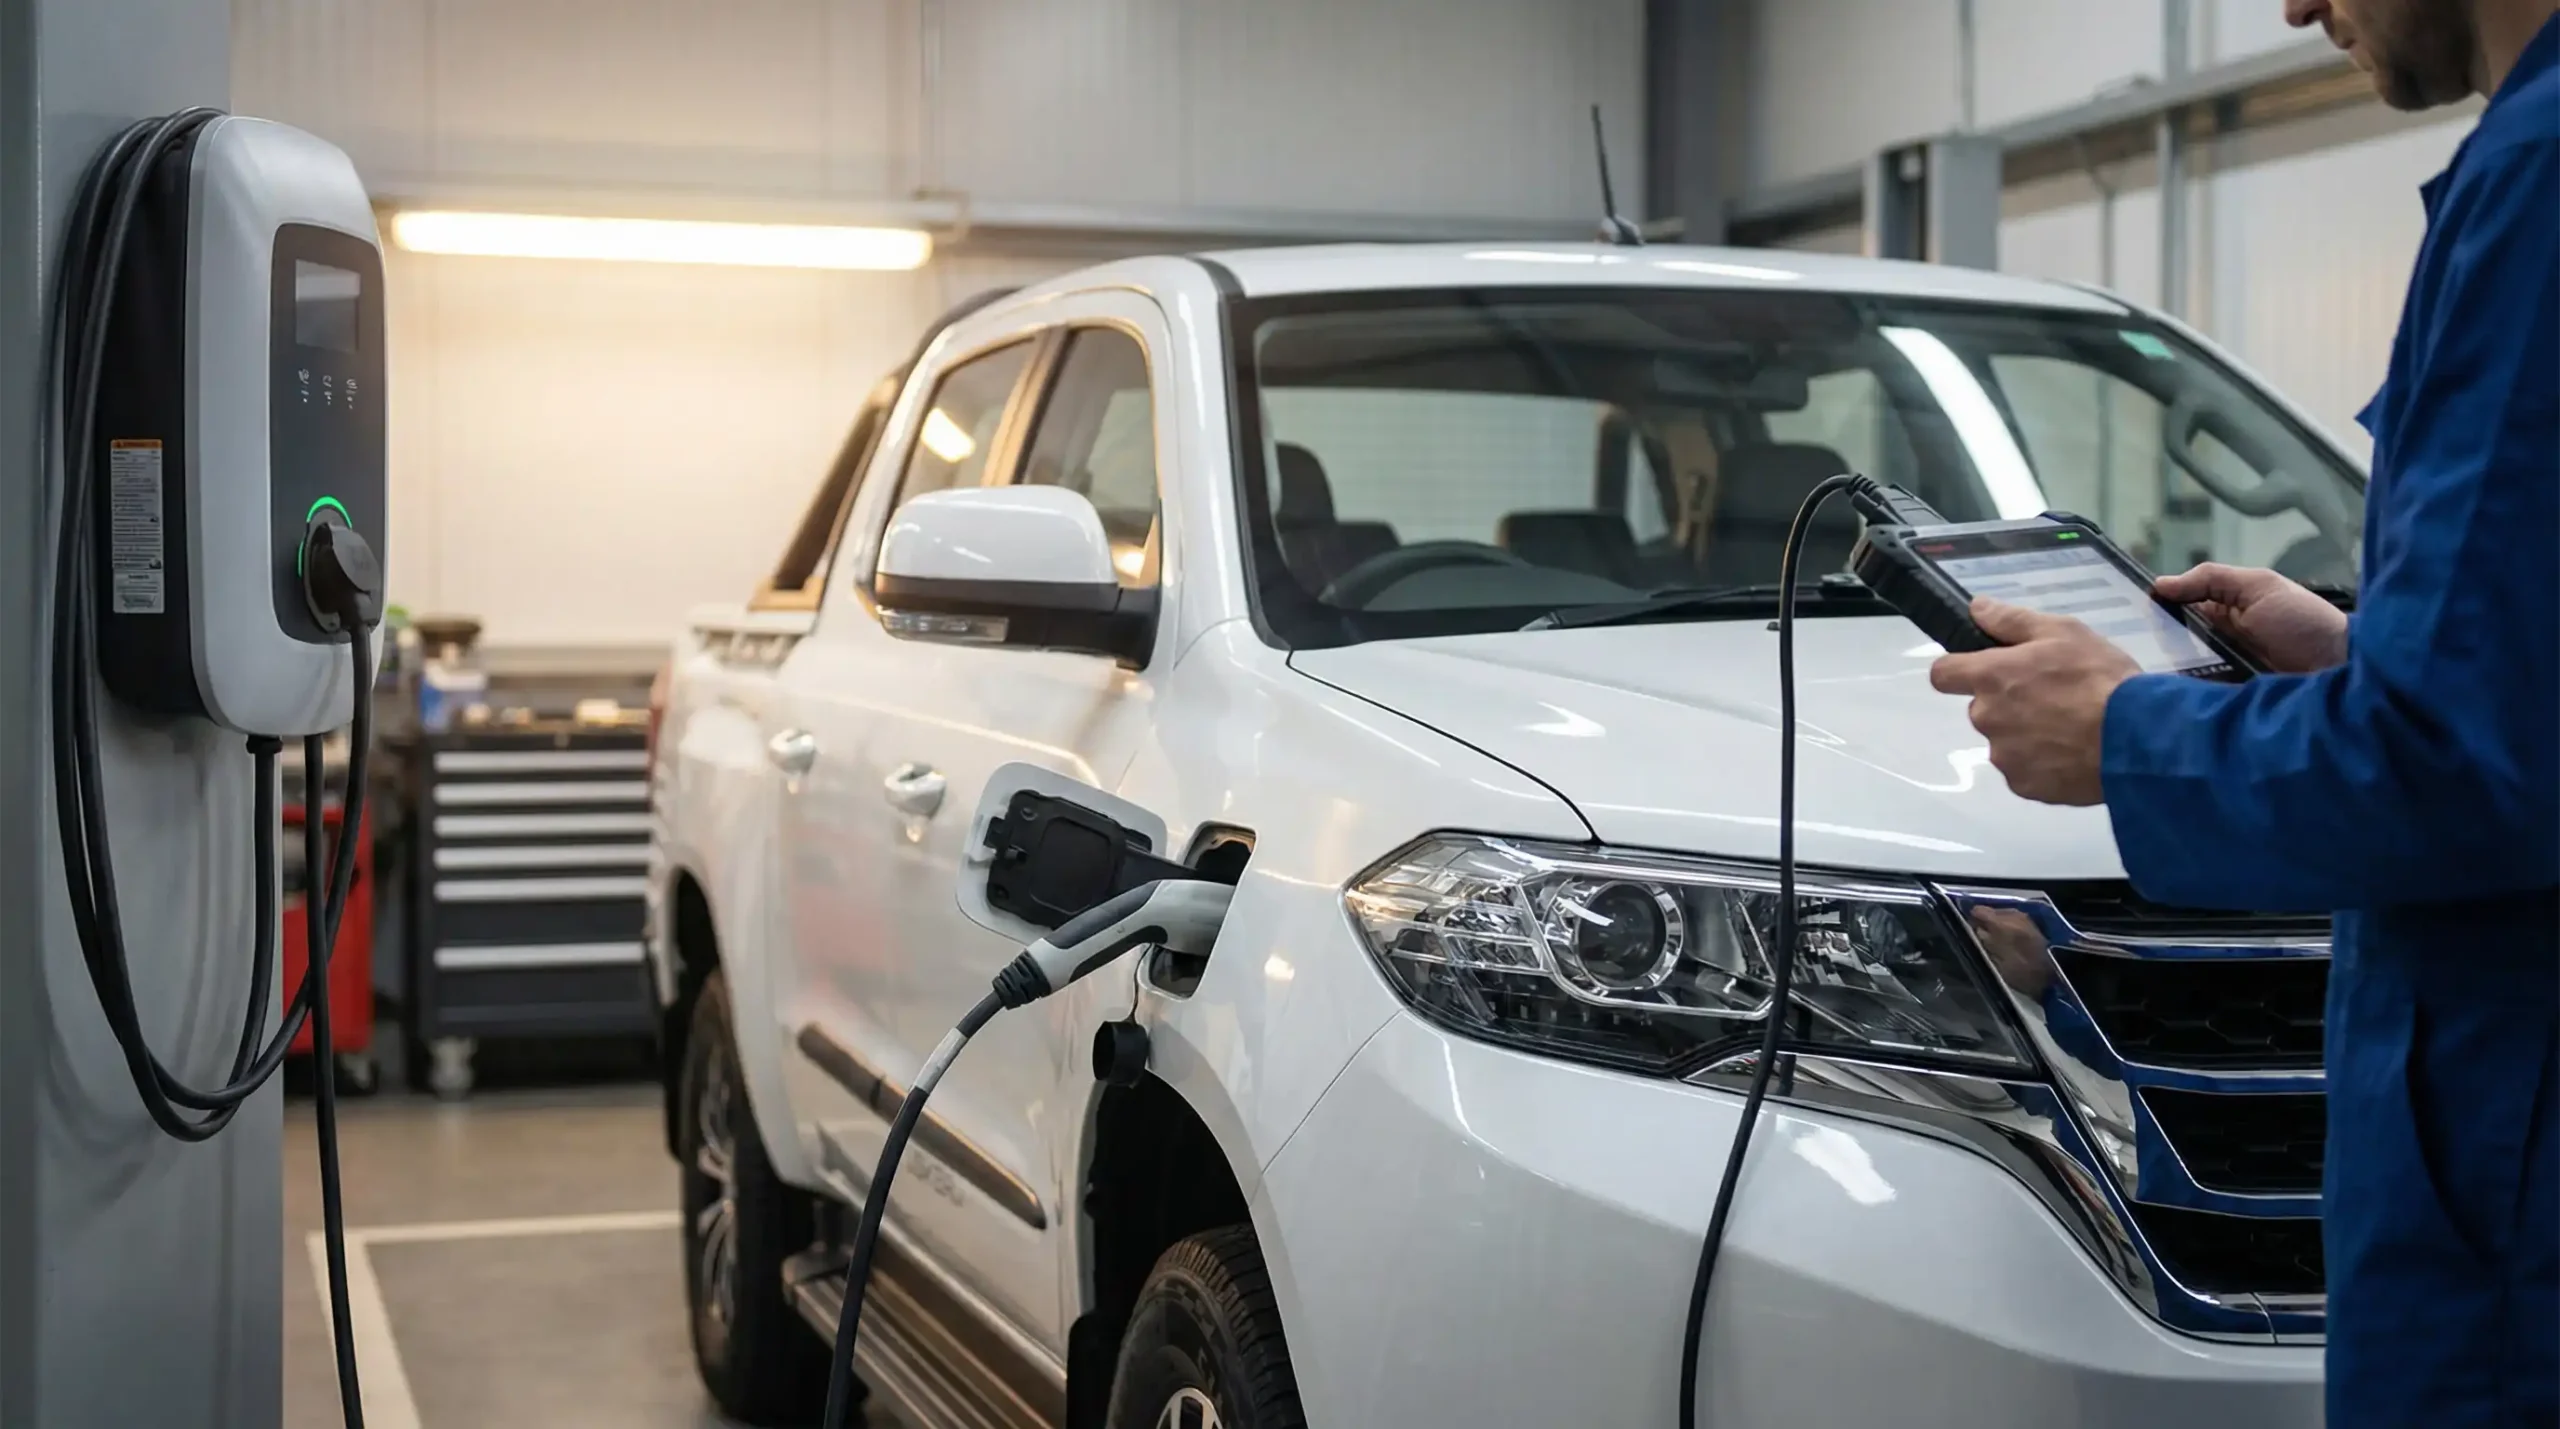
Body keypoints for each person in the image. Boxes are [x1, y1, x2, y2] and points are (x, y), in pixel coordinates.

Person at [1926, 1, 2559, 1425]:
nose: (2291, 7)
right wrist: (2362, 656)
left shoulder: (2539, 181)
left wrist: (2127, 736)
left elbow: (2455, 768)